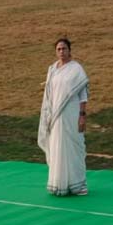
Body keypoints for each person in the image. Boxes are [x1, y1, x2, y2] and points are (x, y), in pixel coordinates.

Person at [38, 37, 89, 196]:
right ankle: (59, 184)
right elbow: (48, 95)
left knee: (74, 147)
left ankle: (78, 185)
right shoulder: (52, 69)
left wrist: (82, 115)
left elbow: (83, 94)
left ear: (69, 50)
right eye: (58, 49)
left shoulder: (76, 69)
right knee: (57, 147)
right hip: (55, 116)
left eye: (64, 49)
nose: (61, 52)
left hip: (71, 113)